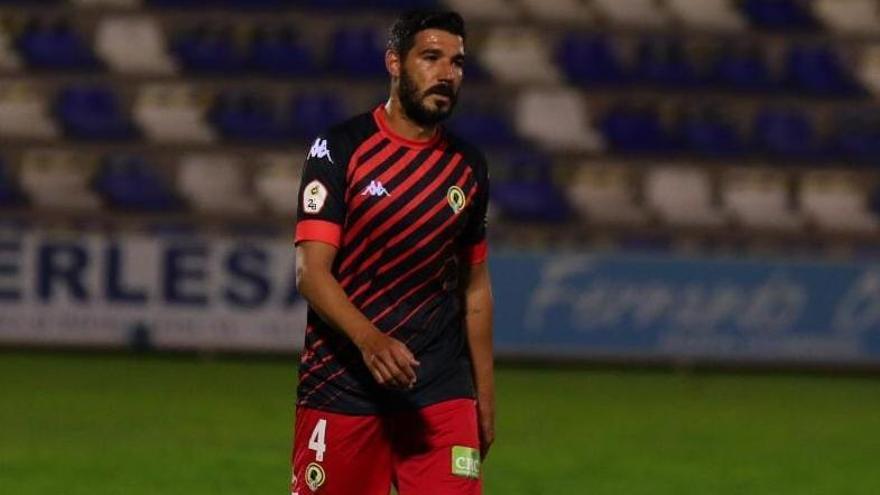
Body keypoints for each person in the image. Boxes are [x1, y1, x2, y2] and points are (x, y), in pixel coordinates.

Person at [290, 9, 494, 495]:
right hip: (343, 384)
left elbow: (476, 289)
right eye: (431, 58)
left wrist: (483, 393)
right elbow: (311, 273)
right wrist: (371, 341)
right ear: (395, 63)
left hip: (441, 391)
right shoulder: (340, 149)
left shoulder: (468, 167)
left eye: (458, 63)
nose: (447, 74)